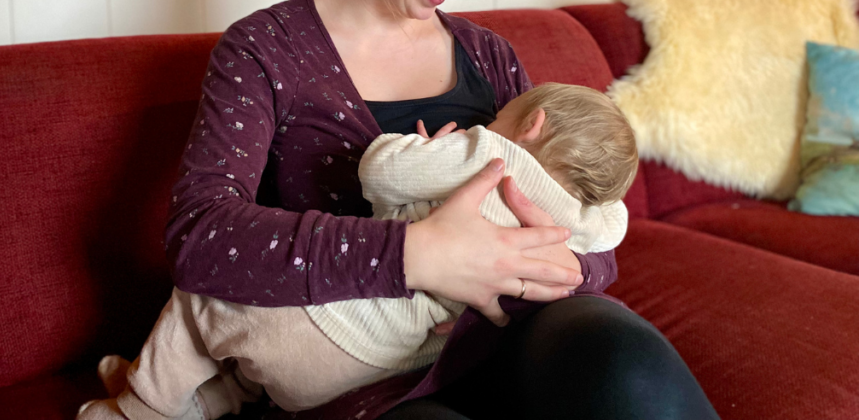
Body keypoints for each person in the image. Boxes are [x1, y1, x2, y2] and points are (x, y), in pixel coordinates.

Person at [84, 0, 719, 420]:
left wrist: (556, 266)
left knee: (624, 361)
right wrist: (417, 252)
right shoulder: (264, 51)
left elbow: (588, 225)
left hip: (505, 337)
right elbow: (201, 237)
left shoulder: (488, 55)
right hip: (357, 365)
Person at [78, 84, 638, 419]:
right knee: (262, 343)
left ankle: (141, 408)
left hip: (334, 335)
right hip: (396, 365)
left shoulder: (489, 152)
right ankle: (206, 403)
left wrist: (432, 150)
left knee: (205, 298)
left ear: (530, 125)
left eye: (497, 117)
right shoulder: (586, 221)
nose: (484, 125)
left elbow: (379, 171)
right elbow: (615, 225)